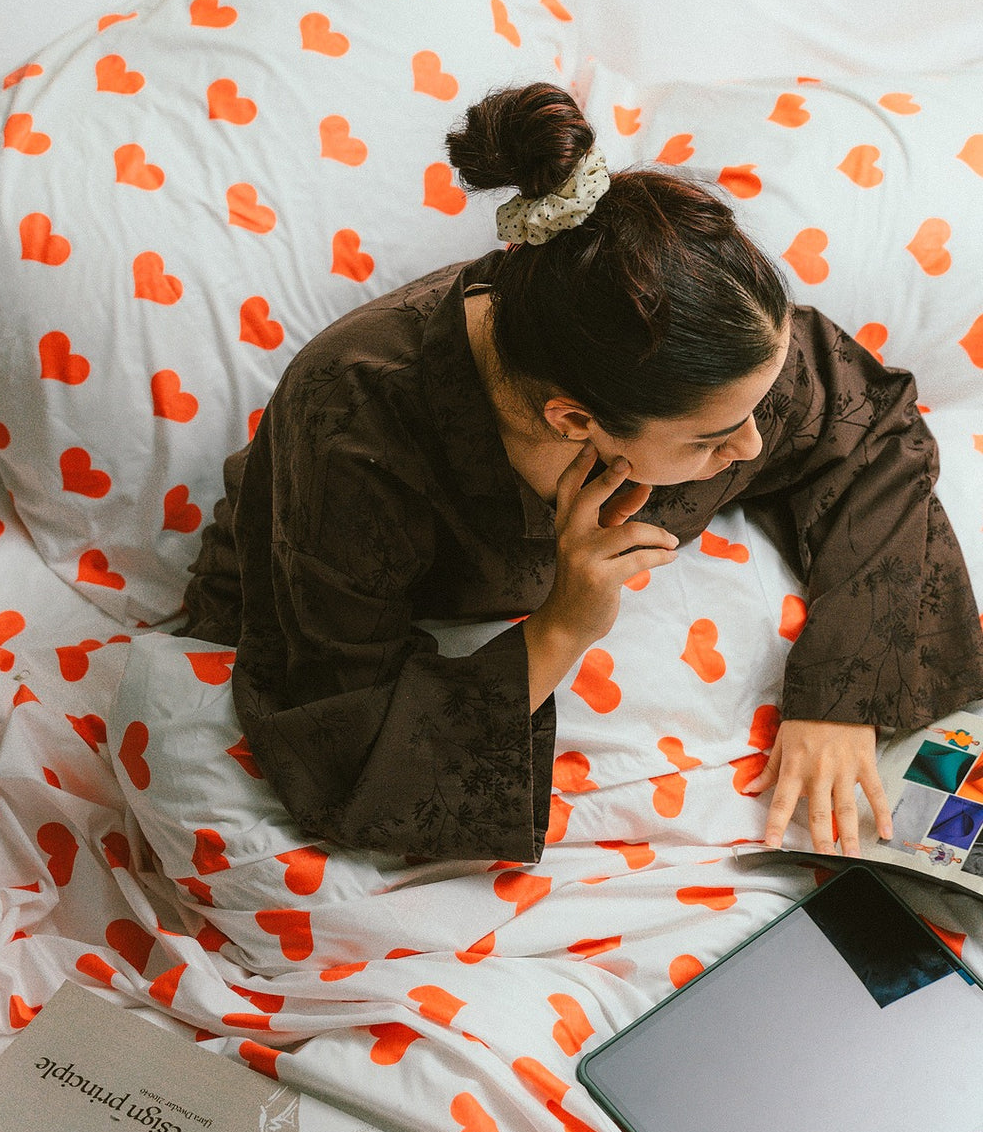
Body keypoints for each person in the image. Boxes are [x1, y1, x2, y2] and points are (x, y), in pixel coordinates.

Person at [182, 83, 983, 864]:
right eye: (711, 439)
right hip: (326, 590)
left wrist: (843, 702)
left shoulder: (716, 355)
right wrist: (565, 623)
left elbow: (871, 427)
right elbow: (346, 735)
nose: (749, 447)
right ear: (574, 421)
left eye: (760, 405)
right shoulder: (355, 429)